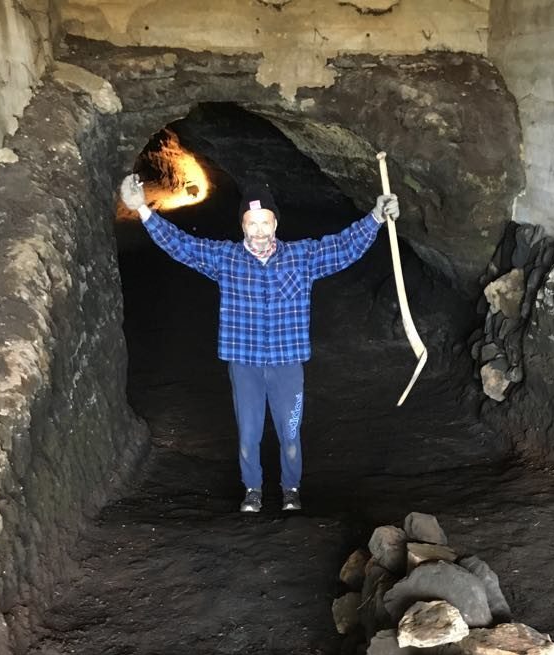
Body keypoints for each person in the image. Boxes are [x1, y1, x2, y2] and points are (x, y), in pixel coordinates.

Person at [119, 174, 399, 512]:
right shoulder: (226, 259)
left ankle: (290, 490)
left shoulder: (302, 257)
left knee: (290, 433)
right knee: (249, 435)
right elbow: (183, 246)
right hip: (245, 362)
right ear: (242, 225)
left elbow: (341, 247)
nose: (260, 230)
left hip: (287, 362)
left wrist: (375, 218)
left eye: (265, 222)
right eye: (252, 223)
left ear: (276, 222)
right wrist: (144, 212)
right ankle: (252, 490)